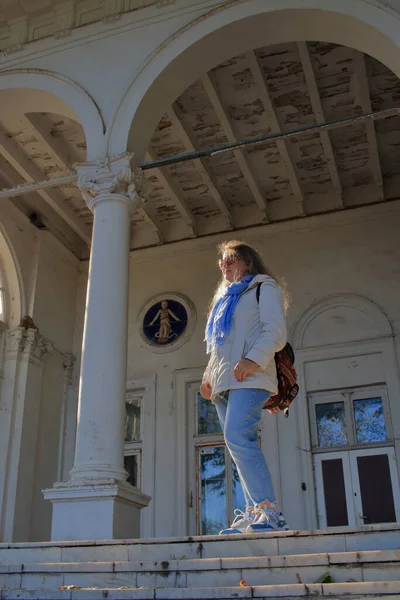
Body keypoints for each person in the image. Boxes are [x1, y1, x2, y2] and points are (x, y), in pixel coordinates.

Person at [200, 240, 289, 534]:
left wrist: (253, 360)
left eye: (231, 260)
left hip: (252, 375)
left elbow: (275, 332)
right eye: (221, 262)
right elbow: (219, 345)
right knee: (236, 445)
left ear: (248, 262)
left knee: (240, 437)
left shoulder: (264, 288)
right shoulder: (224, 299)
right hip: (224, 383)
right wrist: (207, 376)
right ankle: (254, 513)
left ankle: (269, 512)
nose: (224, 266)